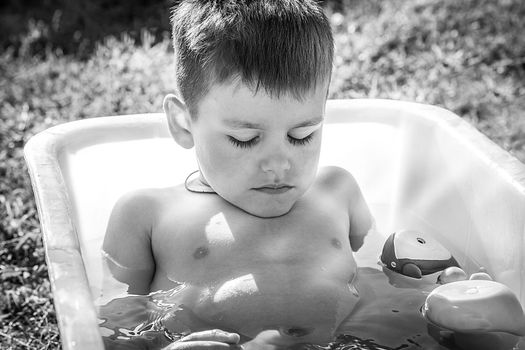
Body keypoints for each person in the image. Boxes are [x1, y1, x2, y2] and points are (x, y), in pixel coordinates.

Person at [102, 0, 373, 349]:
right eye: (244, 139)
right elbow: (111, 326)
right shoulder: (147, 214)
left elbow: (381, 276)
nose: (278, 164)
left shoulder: (339, 190)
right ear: (184, 124)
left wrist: (437, 291)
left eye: (302, 135)